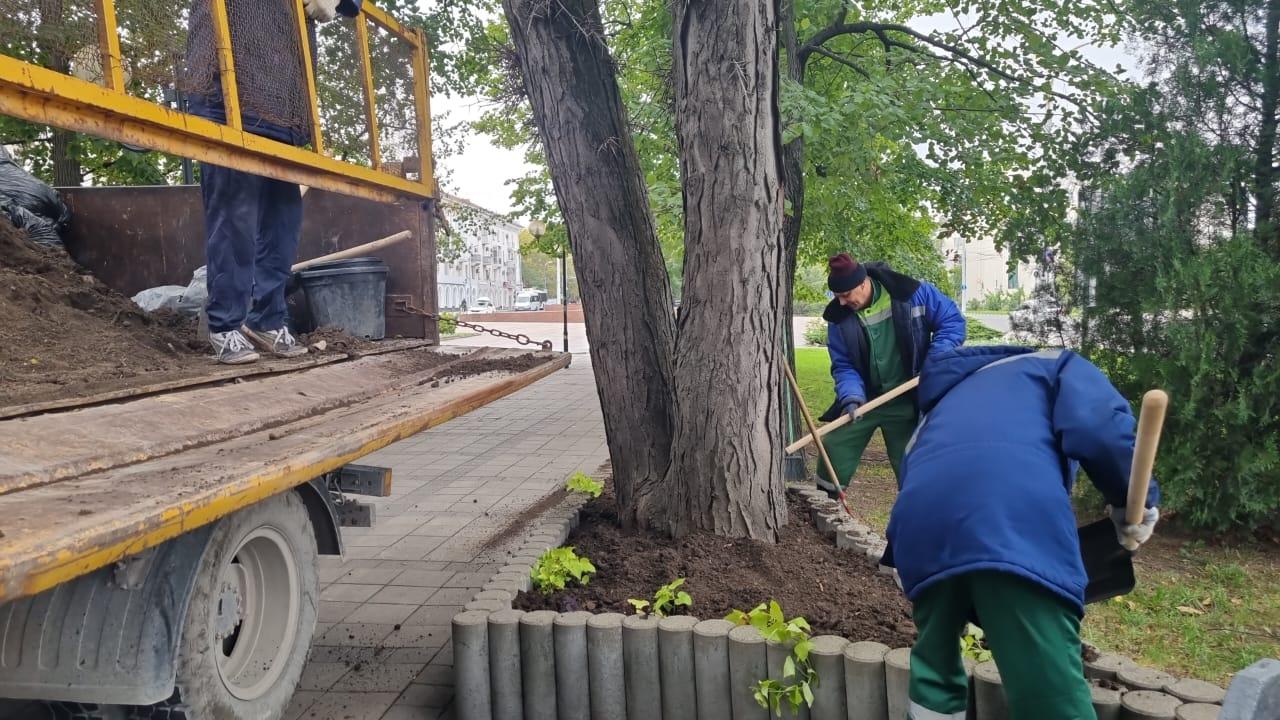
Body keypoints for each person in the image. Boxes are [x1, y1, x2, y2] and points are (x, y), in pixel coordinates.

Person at [885, 346, 1161, 720]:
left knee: (934, 673)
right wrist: (1134, 502)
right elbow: (1098, 428)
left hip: (920, 532)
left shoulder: (939, 408)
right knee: (1048, 689)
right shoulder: (1057, 364)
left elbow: (917, 479)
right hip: (1009, 520)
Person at [183, 0, 363, 363]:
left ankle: (267, 318)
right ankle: (224, 326)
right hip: (226, 94)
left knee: (283, 225)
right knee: (235, 220)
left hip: (283, 108)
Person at [817, 253, 965, 494]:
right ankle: (825, 502)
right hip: (866, 399)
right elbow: (844, 366)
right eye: (837, 297)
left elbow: (952, 321)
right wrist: (852, 397)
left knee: (909, 460)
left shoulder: (912, 293)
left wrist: (935, 359)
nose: (842, 303)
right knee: (834, 445)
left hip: (908, 400)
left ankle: (915, 511)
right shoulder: (838, 320)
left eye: (845, 295)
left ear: (863, 284)